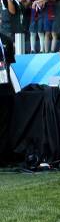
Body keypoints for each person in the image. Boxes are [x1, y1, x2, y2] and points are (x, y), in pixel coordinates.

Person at [0, 24, 15, 155]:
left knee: (5, 123)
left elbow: (9, 62)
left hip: (5, 88)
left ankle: (3, 156)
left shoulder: (6, 40)